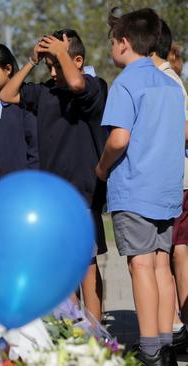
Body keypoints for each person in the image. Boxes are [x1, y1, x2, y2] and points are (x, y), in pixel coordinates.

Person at [0, 29, 109, 322]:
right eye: (48, 66)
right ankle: (73, 329)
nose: (52, 71)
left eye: (57, 64)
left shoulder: (95, 88)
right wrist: (31, 62)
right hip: (53, 195)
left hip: (84, 194)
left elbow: (76, 81)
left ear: (77, 60)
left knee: (86, 266)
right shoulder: (45, 91)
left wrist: (62, 54)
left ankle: (96, 332)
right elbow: (7, 94)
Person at [95, 8, 185, 365]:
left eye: (112, 41)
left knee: (141, 266)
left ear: (124, 42)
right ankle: (164, 344)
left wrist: (101, 169)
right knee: (162, 265)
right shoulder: (170, 82)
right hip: (167, 189)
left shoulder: (127, 82)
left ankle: (149, 350)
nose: (111, 48)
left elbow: (118, 139)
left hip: (135, 188)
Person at [150, 20, 188, 353]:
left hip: (175, 181)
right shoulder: (172, 79)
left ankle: (176, 323)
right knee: (174, 252)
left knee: (171, 253)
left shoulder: (166, 79)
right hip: (176, 179)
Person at [0, 44, 38, 178]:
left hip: (19, 184)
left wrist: (32, 179)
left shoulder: (25, 103)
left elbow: (35, 147)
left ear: (8, 69)